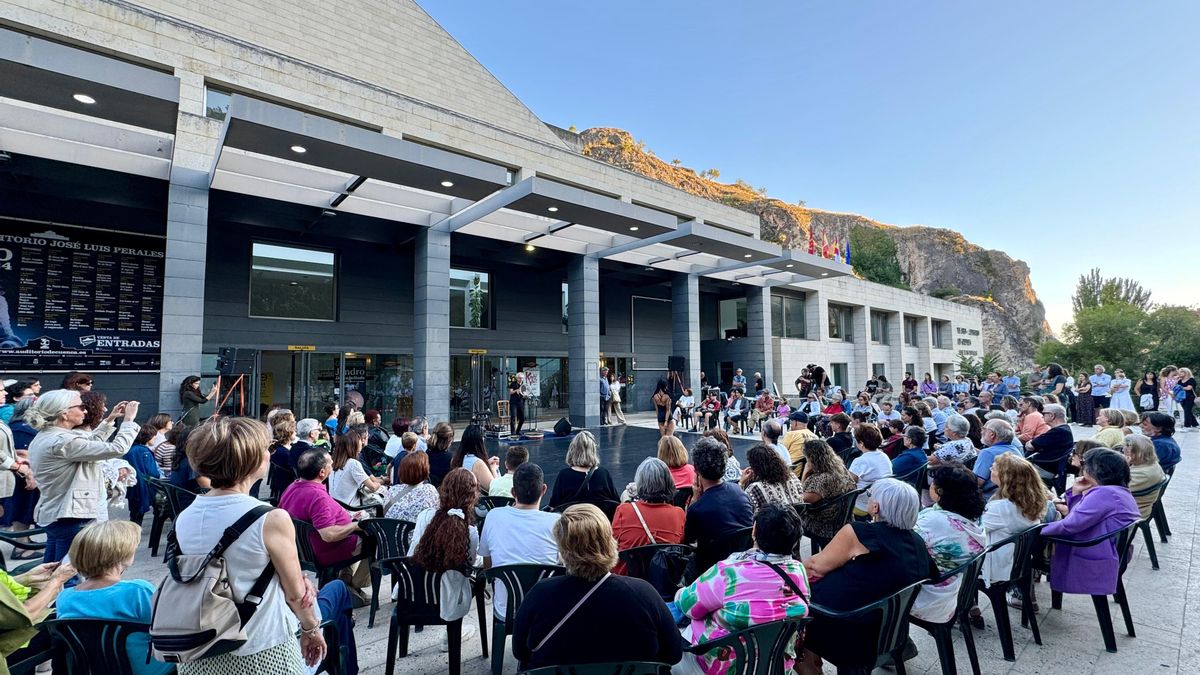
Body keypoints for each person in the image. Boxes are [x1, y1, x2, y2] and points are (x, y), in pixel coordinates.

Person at [175, 417, 327, 672]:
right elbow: (295, 595)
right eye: (266, 448)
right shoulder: (271, 518)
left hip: (198, 649)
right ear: (251, 460)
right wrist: (311, 629)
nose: (270, 454)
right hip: (259, 648)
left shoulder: (185, 516)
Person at [512, 504, 681, 670]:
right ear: (609, 542)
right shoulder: (643, 594)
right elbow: (673, 655)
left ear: (563, 549)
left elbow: (520, 652)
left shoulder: (540, 595)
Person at [799, 479, 936, 674]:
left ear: (875, 507)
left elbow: (814, 567)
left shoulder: (860, 533)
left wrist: (788, 571)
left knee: (791, 625)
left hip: (846, 628)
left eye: (871, 497)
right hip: (889, 629)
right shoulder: (917, 542)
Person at [675, 504, 810, 675]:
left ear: (754, 531)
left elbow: (687, 606)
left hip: (722, 668)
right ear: (796, 540)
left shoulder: (728, 572)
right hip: (776, 667)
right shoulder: (798, 572)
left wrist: (679, 593)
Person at [27, 390, 140, 562]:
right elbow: (117, 448)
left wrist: (110, 420)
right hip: (70, 516)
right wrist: (129, 421)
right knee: (71, 570)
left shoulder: (50, 436)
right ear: (64, 413)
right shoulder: (63, 441)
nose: (85, 411)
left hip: (58, 513)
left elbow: (89, 444)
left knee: (53, 568)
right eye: (81, 407)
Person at [54, 520, 174, 675]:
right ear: (121, 553)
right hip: (147, 670)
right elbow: (171, 630)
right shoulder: (138, 591)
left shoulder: (65, 598)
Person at [1042, 448, 1140, 598]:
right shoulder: (1119, 491)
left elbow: (1069, 526)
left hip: (1091, 553)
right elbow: (1077, 518)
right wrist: (1076, 493)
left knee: (1023, 548)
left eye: (1083, 464)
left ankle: (1022, 594)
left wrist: (1036, 530)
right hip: (1111, 552)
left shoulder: (1104, 494)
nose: (1081, 468)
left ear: (1094, 470)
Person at [280, 448, 372, 603]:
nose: (333, 464)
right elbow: (328, 535)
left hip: (307, 548)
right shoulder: (317, 496)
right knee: (377, 539)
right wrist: (355, 526)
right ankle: (356, 585)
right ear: (322, 472)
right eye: (330, 463)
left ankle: (345, 582)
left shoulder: (292, 488)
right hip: (326, 549)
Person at [406, 468, 482, 641]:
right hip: (448, 600)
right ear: (472, 496)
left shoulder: (424, 516)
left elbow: (415, 549)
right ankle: (453, 633)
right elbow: (471, 562)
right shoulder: (470, 531)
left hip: (414, 591)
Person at [480, 462, 561, 618]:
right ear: (544, 489)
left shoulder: (493, 516)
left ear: (513, 492)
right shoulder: (557, 523)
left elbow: (488, 565)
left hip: (506, 610)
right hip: (546, 612)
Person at [910, 466, 987, 622]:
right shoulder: (975, 517)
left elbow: (902, 545)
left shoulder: (933, 521)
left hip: (929, 599)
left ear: (940, 491)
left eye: (933, 482)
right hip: (956, 591)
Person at [979, 454, 1052, 594]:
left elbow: (976, 530)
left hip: (997, 565)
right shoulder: (1032, 500)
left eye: (993, 468)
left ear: (1005, 477)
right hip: (1019, 562)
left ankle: (965, 603)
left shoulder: (1001, 508)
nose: (990, 470)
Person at [684, 437, 754, 577]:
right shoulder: (741, 493)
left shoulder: (697, 509)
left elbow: (687, 539)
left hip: (711, 570)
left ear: (696, 468)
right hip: (742, 564)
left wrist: (694, 501)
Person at [611, 458, 685, 574]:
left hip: (629, 577)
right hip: (663, 578)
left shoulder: (624, 511)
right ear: (668, 482)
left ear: (640, 483)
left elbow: (613, 544)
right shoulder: (678, 514)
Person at [795, 439, 856, 540]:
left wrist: (805, 473)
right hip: (844, 518)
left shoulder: (821, 479)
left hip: (824, 525)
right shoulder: (841, 469)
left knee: (790, 519)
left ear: (812, 459)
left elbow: (801, 499)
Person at [548, 430, 618, 509]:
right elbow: (615, 501)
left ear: (572, 451)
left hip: (573, 516)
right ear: (593, 451)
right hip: (599, 516)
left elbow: (554, 505)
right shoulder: (603, 474)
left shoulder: (564, 475)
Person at [328, 425, 384, 507]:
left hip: (335, 506)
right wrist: (380, 483)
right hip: (350, 509)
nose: (361, 443)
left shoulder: (333, 462)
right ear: (353, 445)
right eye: (359, 441)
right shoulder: (353, 464)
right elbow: (373, 487)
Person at [739, 443, 804, 513]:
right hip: (797, 518)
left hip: (773, 519)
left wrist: (741, 483)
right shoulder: (793, 477)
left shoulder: (755, 488)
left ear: (755, 467)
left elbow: (741, 507)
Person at [384, 451, 441, 523]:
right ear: (425, 470)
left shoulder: (393, 490)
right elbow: (436, 515)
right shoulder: (429, 490)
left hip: (389, 529)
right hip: (415, 530)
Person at [1025, 404, 1074, 484]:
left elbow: (1030, 446)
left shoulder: (1058, 431)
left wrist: (1030, 442)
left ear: (1052, 415)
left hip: (1042, 468)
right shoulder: (1064, 429)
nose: (1042, 416)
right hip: (1046, 466)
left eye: (1044, 414)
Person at [847, 424, 891, 514]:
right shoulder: (884, 456)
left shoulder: (861, 461)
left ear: (861, 444)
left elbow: (848, 483)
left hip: (862, 505)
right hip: (882, 499)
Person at [122, 424, 161, 525]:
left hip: (133, 486)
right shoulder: (144, 451)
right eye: (154, 436)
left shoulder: (131, 449)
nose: (155, 439)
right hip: (143, 487)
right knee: (139, 515)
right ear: (148, 437)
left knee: (135, 515)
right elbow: (152, 472)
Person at [1121, 435, 1165, 519]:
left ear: (1136, 452)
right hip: (1136, 506)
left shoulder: (1143, 474)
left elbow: (1114, 489)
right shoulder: (1151, 465)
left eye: (1125, 449)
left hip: (1130, 511)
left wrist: (1123, 466)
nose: (1123, 450)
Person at [451, 423, 500, 492]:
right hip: (473, 498)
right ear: (480, 441)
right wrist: (493, 469)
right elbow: (494, 488)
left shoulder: (455, 459)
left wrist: (486, 464)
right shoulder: (477, 463)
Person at [426, 421, 455, 487]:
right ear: (449, 439)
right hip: (444, 491)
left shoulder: (425, 454)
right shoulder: (450, 458)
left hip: (428, 490)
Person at [509, 371, 528, 436]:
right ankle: (513, 432)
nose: (521, 379)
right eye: (520, 378)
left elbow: (524, 393)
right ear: (517, 378)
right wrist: (516, 390)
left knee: (522, 418)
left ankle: (518, 431)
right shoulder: (513, 384)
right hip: (513, 403)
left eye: (522, 378)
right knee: (513, 417)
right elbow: (510, 392)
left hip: (521, 402)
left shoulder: (523, 385)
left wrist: (526, 396)